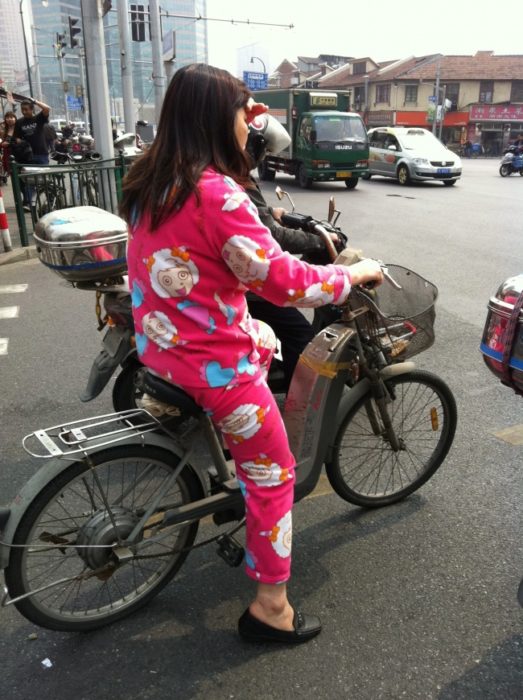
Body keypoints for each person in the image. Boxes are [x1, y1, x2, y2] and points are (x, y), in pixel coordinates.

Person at [120, 63, 383, 645]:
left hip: (162, 350)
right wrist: (352, 274)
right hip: (216, 372)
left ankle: (232, 476)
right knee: (277, 476)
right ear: (221, 118)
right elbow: (283, 282)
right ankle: (270, 607)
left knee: (266, 343)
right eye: (245, 113)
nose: (249, 125)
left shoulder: (148, 181)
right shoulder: (215, 192)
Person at [245, 113, 339, 390]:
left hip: (237, 280)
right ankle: (298, 403)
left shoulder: (226, 175)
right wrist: (320, 242)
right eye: (264, 150)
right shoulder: (232, 180)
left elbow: (256, 218)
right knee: (301, 336)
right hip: (249, 286)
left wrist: (271, 212)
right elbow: (273, 237)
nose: (264, 157)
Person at [13, 98, 51, 165]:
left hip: (41, 154)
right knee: (30, 175)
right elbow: (16, 136)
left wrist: (35, 101)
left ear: (32, 109)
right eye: (22, 109)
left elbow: (47, 108)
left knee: (44, 174)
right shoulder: (19, 122)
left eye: (26, 109)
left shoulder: (39, 118)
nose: (24, 112)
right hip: (27, 155)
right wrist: (18, 140)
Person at [0, 110, 17, 179]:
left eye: (11, 117)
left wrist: (9, 143)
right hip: (8, 157)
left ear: (15, 118)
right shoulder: (5, 130)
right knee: (14, 179)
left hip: (18, 157)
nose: (9, 119)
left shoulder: (18, 128)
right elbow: (3, 143)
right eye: (7, 117)